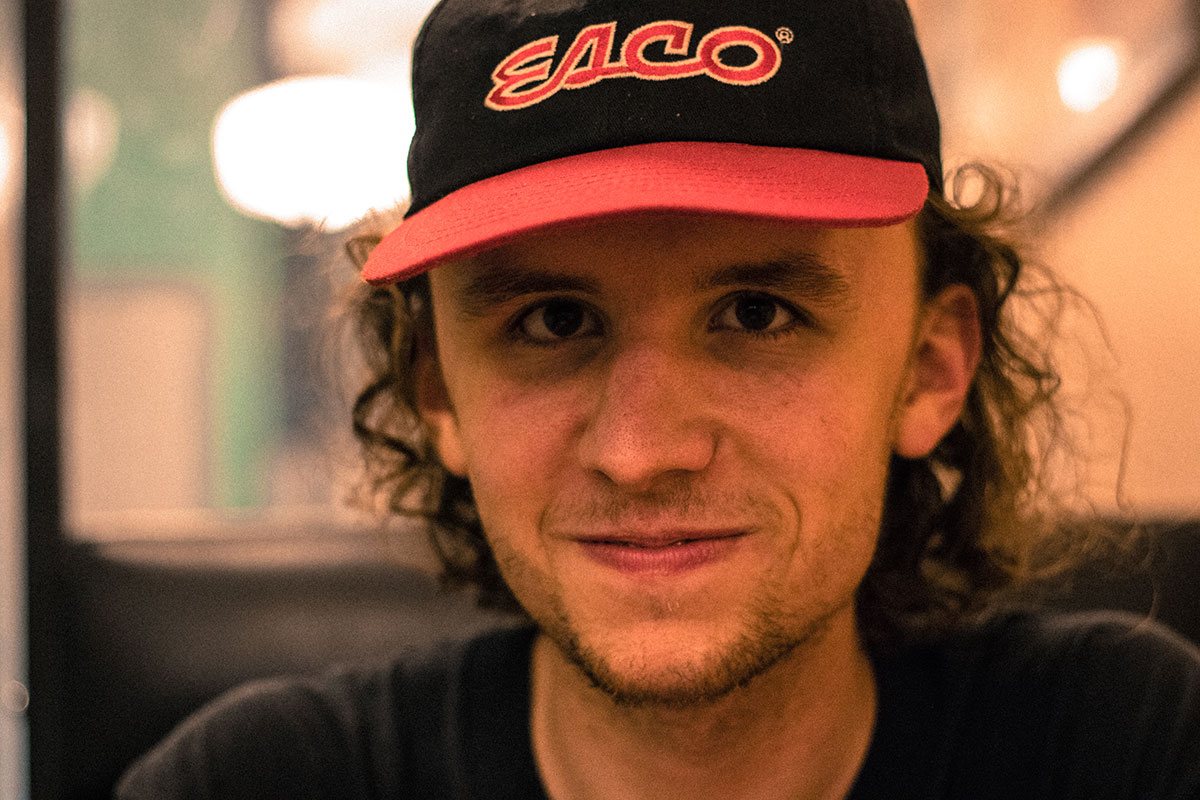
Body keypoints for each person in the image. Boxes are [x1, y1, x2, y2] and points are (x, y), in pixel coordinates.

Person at [118, 0, 1200, 797]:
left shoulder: (1122, 749)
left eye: (757, 314)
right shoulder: (260, 781)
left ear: (928, 370)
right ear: (438, 391)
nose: (641, 450)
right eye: (553, 321)